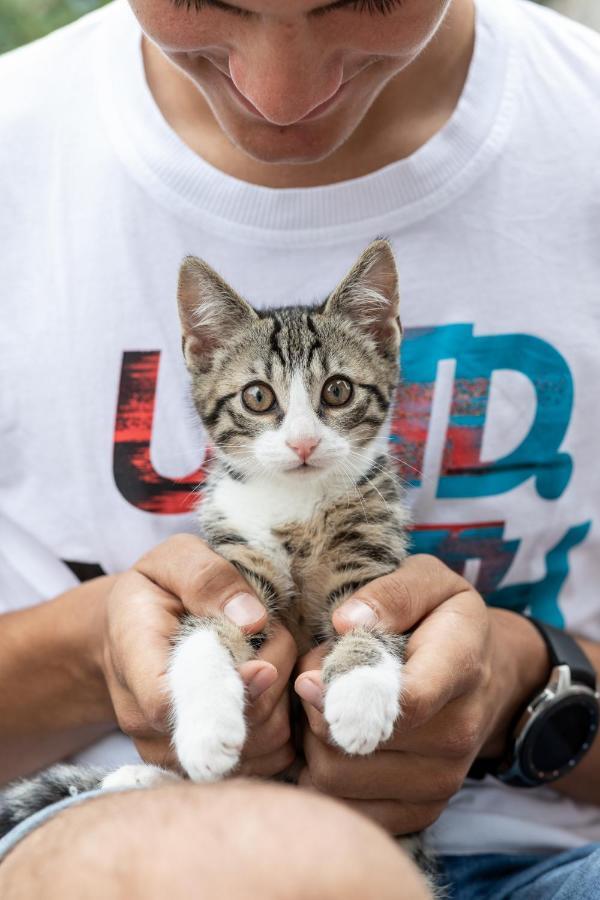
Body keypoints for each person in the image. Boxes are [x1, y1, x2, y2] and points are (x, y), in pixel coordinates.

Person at [0, 0, 599, 896]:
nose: (280, 94)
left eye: (362, 1)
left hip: (550, 852)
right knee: (281, 868)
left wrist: (527, 687)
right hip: (147, 830)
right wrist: (100, 650)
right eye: (211, 2)